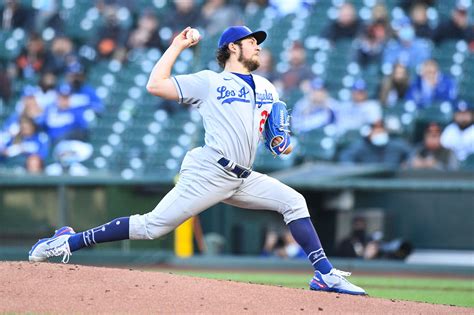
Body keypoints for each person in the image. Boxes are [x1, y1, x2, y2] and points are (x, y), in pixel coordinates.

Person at [28, 25, 366, 296]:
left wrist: (279, 140)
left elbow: (269, 133)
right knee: (150, 227)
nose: (258, 46)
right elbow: (154, 85)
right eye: (252, 41)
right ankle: (65, 242)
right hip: (208, 171)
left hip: (242, 176)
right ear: (233, 47)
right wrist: (177, 46)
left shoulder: (267, 87)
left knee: (294, 201)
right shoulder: (210, 81)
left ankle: (324, 275)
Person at [339, 120, 412, 168]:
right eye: (376, 132)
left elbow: (412, 154)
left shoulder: (396, 145)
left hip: (392, 179)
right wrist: (356, 169)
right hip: (367, 181)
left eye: (381, 131)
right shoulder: (361, 146)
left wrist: (407, 164)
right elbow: (345, 158)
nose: (379, 134)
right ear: (370, 133)